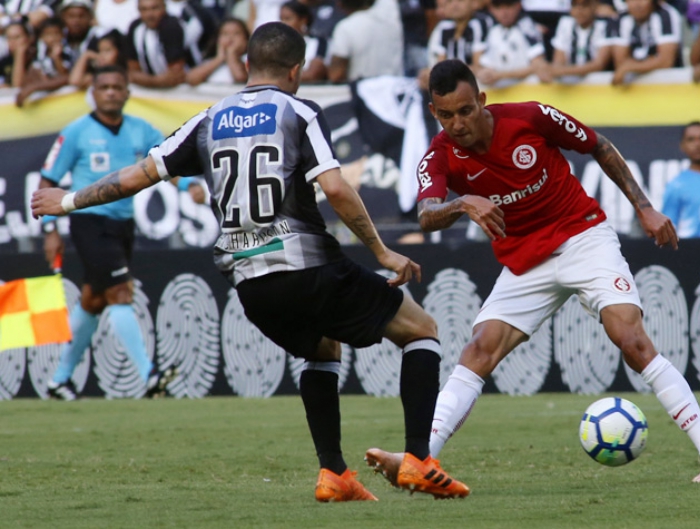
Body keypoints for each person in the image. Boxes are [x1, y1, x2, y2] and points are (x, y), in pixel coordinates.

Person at [32, 23, 470, 502]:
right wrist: (382, 251)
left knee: (323, 347)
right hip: (307, 265)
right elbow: (336, 188)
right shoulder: (298, 111)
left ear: (246, 65)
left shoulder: (208, 118)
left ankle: (334, 473)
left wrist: (68, 200)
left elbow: (139, 175)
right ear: (296, 70)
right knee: (420, 329)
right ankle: (419, 459)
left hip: (251, 284)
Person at [364, 60, 700, 486]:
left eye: (466, 111)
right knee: (478, 350)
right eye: (447, 115)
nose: (458, 124)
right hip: (525, 260)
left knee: (631, 340)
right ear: (434, 112)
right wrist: (462, 203)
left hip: (583, 237)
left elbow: (599, 145)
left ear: (482, 101)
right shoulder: (438, 155)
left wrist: (644, 208)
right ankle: (419, 461)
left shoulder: (530, 117)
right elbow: (426, 215)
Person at [36, 65, 205, 401]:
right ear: (93, 93)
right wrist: (49, 229)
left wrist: (188, 185)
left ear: (128, 92)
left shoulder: (142, 130)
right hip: (88, 222)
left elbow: (166, 163)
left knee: (94, 299)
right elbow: (48, 179)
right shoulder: (76, 132)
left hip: (123, 225)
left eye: (117, 87)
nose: (111, 92)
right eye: (105, 87)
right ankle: (149, 376)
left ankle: (58, 381)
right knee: (119, 292)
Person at [475, 0, 549, 88]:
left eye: (508, 6)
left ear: (518, 6)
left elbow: (539, 65)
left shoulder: (527, 27)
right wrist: (486, 74)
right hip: (498, 86)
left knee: (536, 79)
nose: (504, 13)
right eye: (498, 7)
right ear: (491, 9)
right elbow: (483, 65)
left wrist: (500, 75)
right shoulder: (491, 30)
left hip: (523, 85)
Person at [326, 0, 404, 83]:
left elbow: (336, 75)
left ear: (340, 4)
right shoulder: (392, 22)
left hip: (361, 88)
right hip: (394, 87)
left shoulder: (344, 27)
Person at [609, 0, 683, 86]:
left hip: (669, 85)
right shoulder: (621, 19)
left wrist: (631, 66)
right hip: (634, 89)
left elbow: (666, 61)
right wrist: (649, 63)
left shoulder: (666, 15)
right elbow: (620, 63)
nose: (637, 4)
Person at [126, 0, 187, 88]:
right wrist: (155, 81)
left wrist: (145, 80)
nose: (149, 14)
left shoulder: (172, 27)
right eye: (144, 9)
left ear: (164, 8)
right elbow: (133, 71)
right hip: (152, 89)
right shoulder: (135, 28)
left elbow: (175, 76)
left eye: (154, 8)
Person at [549, 0, 614, 79]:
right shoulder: (565, 23)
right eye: (574, 5)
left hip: (597, 81)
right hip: (569, 81)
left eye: (585, 5)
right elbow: (558, 61)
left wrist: (563, 71)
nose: (579, 10)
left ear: (595, 6)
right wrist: (558, 70)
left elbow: (599, 64)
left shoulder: (605, 25)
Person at [185, 16, 249, 85]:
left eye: (236, 34)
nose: (230, 38)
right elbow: (191, 79)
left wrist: (231, 54)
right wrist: (219, 59)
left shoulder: (249, 60)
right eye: (225, 34)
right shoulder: (210, 62)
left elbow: (240, 78)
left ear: (245, 39)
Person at [279, 0, 328, 83]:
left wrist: (278, 77)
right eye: (281, 19)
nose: (283, 23)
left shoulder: (317, 42)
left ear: (303, 20)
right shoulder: (277, 44)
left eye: (288, 19)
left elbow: (313, 74)